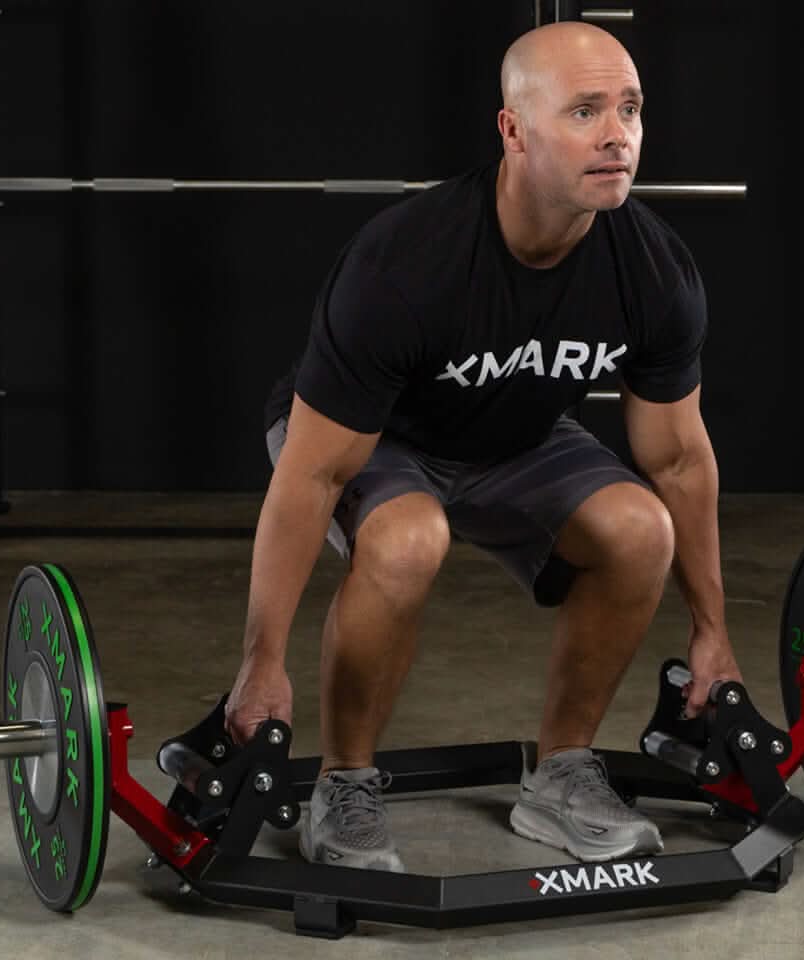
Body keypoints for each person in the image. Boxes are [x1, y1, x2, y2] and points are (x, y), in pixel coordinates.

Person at [224, 20, 743, 873]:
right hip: (371, 435)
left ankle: (563, 773)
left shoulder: (653, 270)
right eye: (585, 111)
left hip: (515, 437)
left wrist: (713, 630)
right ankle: (346, 786)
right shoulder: (407, 262)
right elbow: (315, 470)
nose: (618, 134)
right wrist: (260, 662)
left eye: (630, 108)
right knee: (407, 538)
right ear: (513, 130)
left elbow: (680, 459)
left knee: (641, 529)